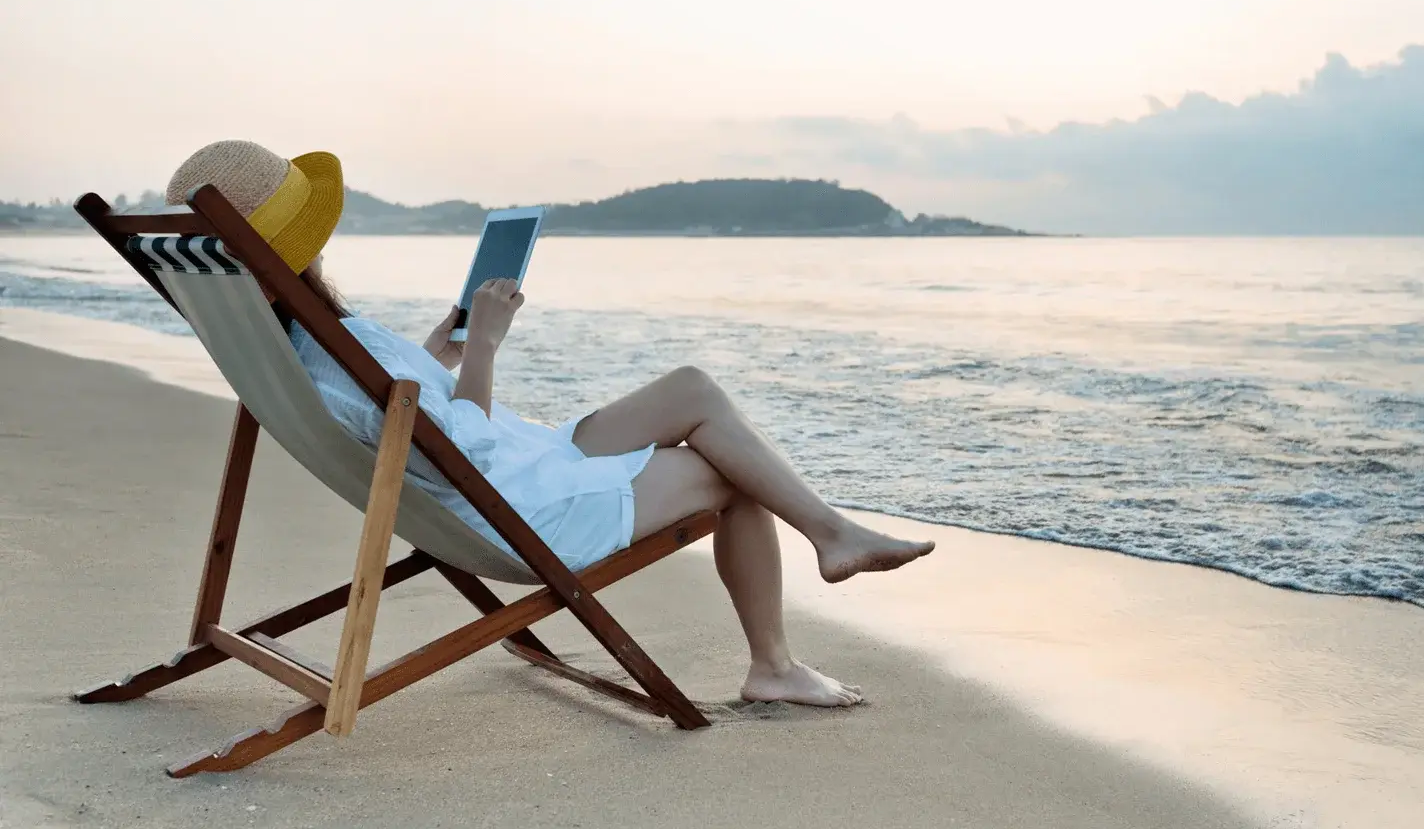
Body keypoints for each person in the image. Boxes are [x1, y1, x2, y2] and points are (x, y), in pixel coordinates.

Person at [164, 140, 934, 708]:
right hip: (517, 508)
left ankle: (829, 536)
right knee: (729, 470)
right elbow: (453, 451)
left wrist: (442, 349)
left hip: (519, 468)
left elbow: (401, 410)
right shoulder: (330, 354)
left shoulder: (298, 344)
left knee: (691, 389)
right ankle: (776, 659)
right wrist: (485, 348)